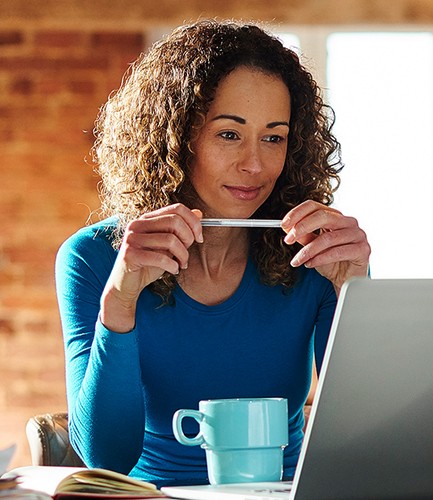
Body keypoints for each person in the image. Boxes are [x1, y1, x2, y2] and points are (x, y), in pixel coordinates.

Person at [55, 19, 370, 487]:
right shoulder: (94, 258)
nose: (255, 164)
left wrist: (356, 295)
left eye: (273, 137)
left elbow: (366, 441)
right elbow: (105, 456)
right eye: (229, 134)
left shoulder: (313, 256)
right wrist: (119, 300)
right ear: (177, 137)